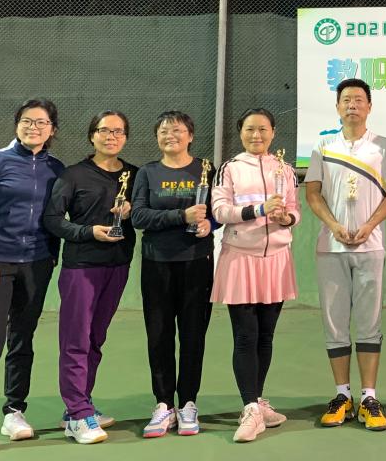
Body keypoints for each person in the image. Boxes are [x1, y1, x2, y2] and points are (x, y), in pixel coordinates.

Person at [0, 99, 64, 458]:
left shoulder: (56, 168)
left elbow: (57, 215)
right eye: (26, 121)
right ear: (17, 125)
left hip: (37, 264)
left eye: (41, 122)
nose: (33, 127)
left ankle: (14, 412)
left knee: (22, 338)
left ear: (52, 129)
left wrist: (52, 255)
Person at [306, 78, 386, 431]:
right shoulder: (323, 146)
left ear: (369, 106)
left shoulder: (384, 146)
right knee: (334, 323)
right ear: (337, 106)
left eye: (359, 100)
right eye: (346, 100)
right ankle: (342, 395)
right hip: (330, 247)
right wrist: (333, 225)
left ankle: (369, 398)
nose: (352, 105)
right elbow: (313, 193)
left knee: (369, 322)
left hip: (370, 245)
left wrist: (369, 225)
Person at [42, 110, 137, 445]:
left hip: (118, 266)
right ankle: (78, 414)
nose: (111, 136)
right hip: (81, 268)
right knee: (76, 340)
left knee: (96, 338)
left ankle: (80, 406)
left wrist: (132, 212)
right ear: (92, 135)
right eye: (104, 130)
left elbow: (145, 214)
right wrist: (87, 232)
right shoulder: (73, 175)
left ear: (126, 137)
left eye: (118, 131)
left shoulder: (135, 175)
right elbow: (52, 219)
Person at [211, 108, 301, 443]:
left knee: (266, 336)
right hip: (240, 259)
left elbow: (294, 209)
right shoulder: (230, 168)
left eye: (263, 129)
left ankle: (258, 400)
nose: (256, 135)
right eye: (250, 129)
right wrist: (258, 210)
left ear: (273, 132)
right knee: (246, 337)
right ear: (240, 132)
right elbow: (220, 211)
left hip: (276, 260)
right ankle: (249, 408)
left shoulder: (284, 169)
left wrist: (286, 218)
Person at [131, 110, 218, 439]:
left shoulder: (206, 169)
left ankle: (189, 403)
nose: (171, 136)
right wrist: (181, 216)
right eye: (164, 131)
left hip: (196, 263)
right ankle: (164, 404)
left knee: (194, 335)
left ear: (190, 136)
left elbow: (218, 211)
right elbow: (139, 216)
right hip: (157, 264)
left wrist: (210, 224)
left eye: (178, 130)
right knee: (159, 334)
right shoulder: (147, 173)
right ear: (157, 137)